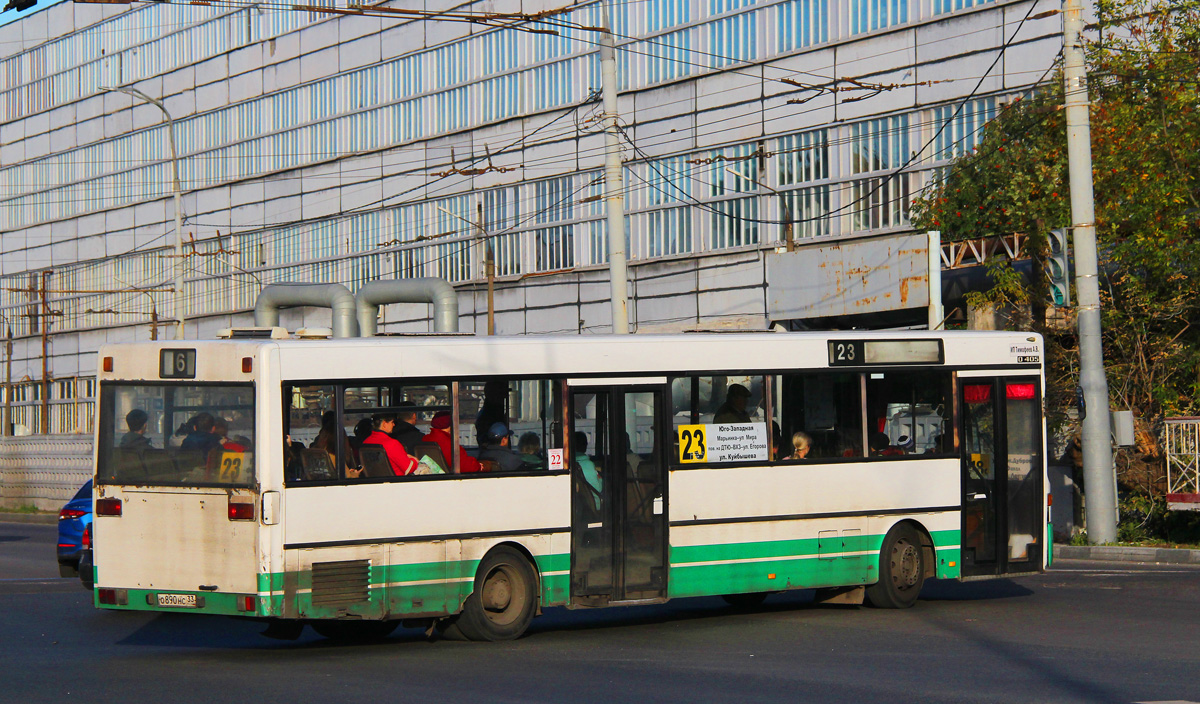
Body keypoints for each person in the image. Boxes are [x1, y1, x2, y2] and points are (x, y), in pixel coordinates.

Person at [423, 411, 488, 473]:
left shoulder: (426, 439)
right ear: (451, 425)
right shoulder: (447, 443)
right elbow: (463, 466)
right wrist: (478, 466)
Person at [574, 431, 602, 511]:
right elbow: (598, 488)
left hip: (578, 508)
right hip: (594, 507)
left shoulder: (568, 464)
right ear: (585, 446)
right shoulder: (589, 464)